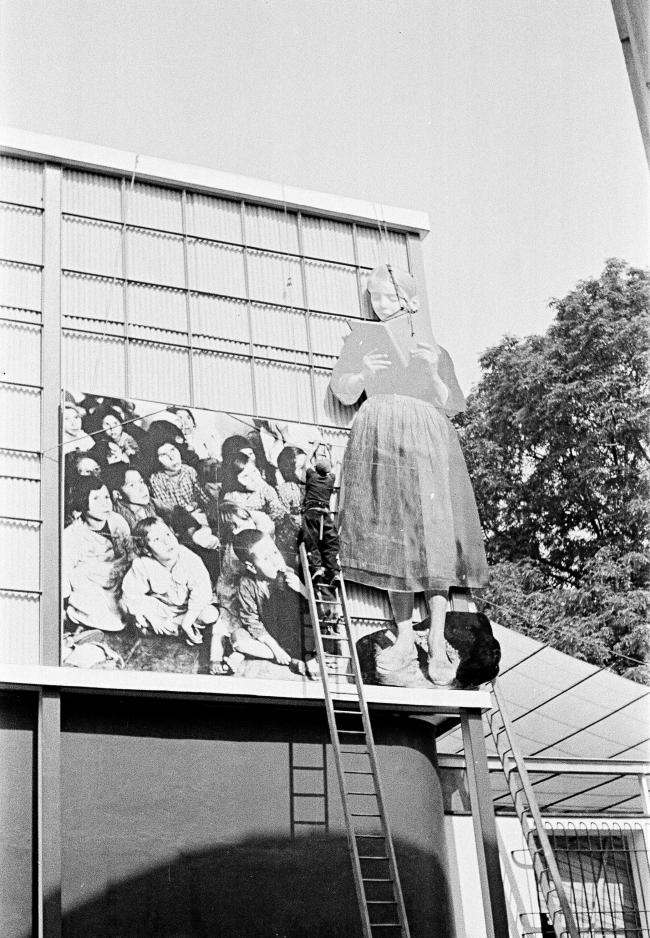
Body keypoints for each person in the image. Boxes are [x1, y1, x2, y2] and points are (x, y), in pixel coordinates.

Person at [330, 264, 488, 686]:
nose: (380, 305)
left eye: (388, 298)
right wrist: (362, 372)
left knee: (433, 539)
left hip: (427, 440)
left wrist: (435, 370)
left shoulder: (433, 347)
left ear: (411, 302)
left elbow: (454, 404)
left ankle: (436, 638)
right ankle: (404, 635)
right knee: (393, 537)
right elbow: (342, 391)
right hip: (380, 437)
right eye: (375, 299)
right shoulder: (361, 340)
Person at [230, 529, 317, 677]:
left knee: (311, 630)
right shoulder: (246, 584)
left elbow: (316, 609)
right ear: (251, 566)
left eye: (275, 553)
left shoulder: (292, 574)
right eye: (265, 559)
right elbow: (252, 621)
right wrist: (275, 648)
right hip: (270, 636)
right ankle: (291, 659)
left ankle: (303, 656)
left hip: (297, 634)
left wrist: (303, 590)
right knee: (238, 639)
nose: (275, 561)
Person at [122, 517, 219, 646]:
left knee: (210, 614)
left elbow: (201, 594)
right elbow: (131, 594)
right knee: (126, 607)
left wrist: (186, 623)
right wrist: (152, 617)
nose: (166, 542)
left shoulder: (190, 558)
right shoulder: (142, 563)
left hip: (186, 609)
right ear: (146, 550)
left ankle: (171, 628)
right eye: (157, 539)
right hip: (161, 607)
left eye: (168, 534)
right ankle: (169, 629)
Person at [62, 476, 131, 632]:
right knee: (112, 621)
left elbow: (129, 552)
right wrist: (64, 599)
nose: (105, 503)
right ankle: (72, 615)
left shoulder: (117, 520)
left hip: (117, 579)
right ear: (81, 505)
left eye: (106, 497)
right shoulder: (72, 535)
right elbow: (65, 571)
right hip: (92, 584)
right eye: (96, 498)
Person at [300, 455, 340, 586]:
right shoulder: (330, 480)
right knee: (331, 542)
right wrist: (329, 451)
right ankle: (334, 572)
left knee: (312, 541)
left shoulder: (312, 476)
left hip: (311, 513)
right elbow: (333, 467)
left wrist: (313, 448)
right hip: (325, 514)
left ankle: (316, 568)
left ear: (316, 468)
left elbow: (306, 462)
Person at [107, 463, 159, 531]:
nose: (142, 489)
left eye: (141, 482)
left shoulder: (151, 503)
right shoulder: (119, 520)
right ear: (118, 494)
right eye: (132, 485)